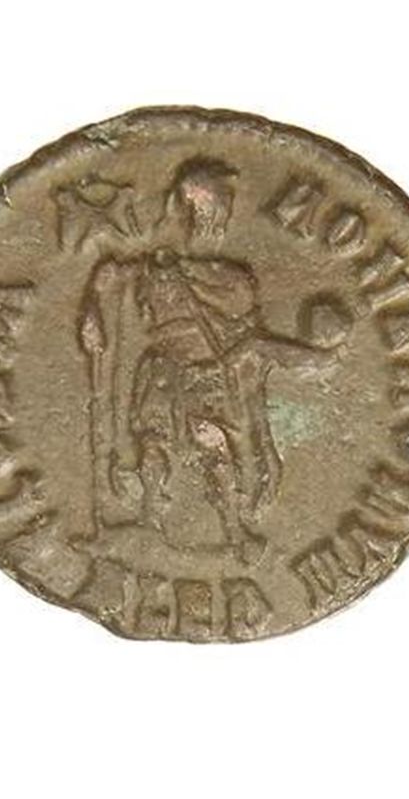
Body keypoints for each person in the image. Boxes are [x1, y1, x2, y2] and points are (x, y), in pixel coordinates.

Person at [80, 157, 333, 561]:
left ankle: (235, 532)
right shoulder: (156, 266)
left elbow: (244, 329)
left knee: (213, 445)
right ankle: (150, 519)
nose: (202, 219)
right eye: (196, 209)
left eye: (207, 210)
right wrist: (92, 310)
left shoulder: (232, 277)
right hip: (161, 369)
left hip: (209, 373)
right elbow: (109, 274)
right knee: (152, 443)